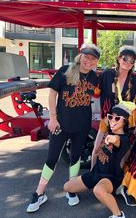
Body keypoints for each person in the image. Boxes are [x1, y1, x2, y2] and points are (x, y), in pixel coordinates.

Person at [26, 43, 100, 213]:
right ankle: (39, 193)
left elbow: (99, 93)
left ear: (96, 61)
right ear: (80, 55)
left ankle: (71, 189)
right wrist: (52, 118)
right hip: (61, 124)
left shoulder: (94, 77)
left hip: (82, 125)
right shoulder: (66, 70)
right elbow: (52, 93)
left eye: (93, 58)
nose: (89, 61)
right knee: (52, 157)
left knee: (75, 157)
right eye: (86, 56)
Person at [63, 102, 135, 218]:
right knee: (67, 187)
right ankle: (89, 186)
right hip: (96, 173)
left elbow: (116, 140)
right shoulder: (108, 132)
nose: (112, 121)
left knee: (98, 190)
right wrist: (92, 169)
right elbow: (96, 151)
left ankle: (118, 215)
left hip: (110, 177)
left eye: (117, 118)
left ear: (125, 121)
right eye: (110, 117)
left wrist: (111, 138)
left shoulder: (124, 139)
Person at [92, 45, 136, 167]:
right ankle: (93, 173)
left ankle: (119, 179)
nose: (128, 63)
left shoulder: (135, 82)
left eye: (131, 61)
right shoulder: (106, 75)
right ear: (119, 59)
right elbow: (96, 93)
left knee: (125, 152)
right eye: (125, 59)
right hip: (107, 118)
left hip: (125, 121)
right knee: (97, 147)